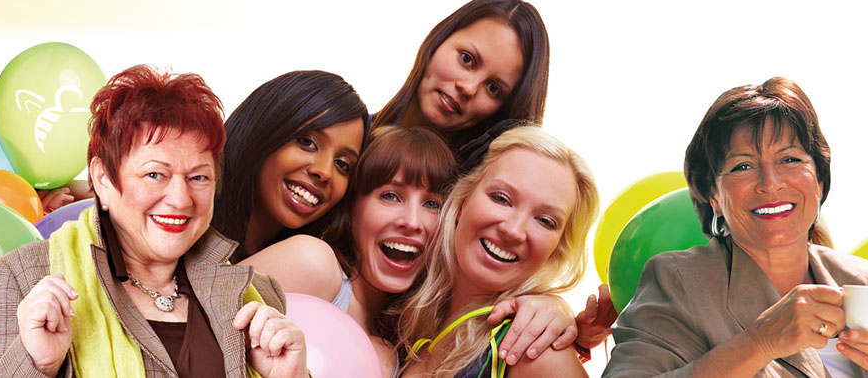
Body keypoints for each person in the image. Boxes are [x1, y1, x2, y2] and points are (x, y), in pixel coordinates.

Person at [0, 65, 307, 378]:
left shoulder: (258, 294)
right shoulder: (23, 277)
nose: (181, 199)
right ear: (103, 179)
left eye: (199, 178)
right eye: (155, 174)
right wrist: (37, 364)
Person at [603, 77, 868, 377]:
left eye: (790, 160)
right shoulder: (677, 281)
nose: (770, 183)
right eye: (743, 166)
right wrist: (761, 342)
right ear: (714, 197)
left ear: (819, 181)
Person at [244, 126, 584, 376]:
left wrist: (557, 310)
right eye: (390, 196)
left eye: (432, 204)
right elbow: (210, 309)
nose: (412, 222)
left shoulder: (405, 337)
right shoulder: (315, 263)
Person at [396, 125, 600, 377]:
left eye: (545, 221)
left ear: (557, 248)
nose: (513, 231)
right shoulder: (409, 316)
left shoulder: (535, 351)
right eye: (501, 199)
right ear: (463, 200)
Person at [370, 0, 550, 166]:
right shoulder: (355, 131)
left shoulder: (481, 187)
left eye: (493, 88)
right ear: (439, 39)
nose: (469, 88)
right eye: (467, 59)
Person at [211, 70, 369, 262]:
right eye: (307, 142)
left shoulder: (309, 265)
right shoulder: (188, 230)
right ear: (263, 130)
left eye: (342, 164)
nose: (325, 172)